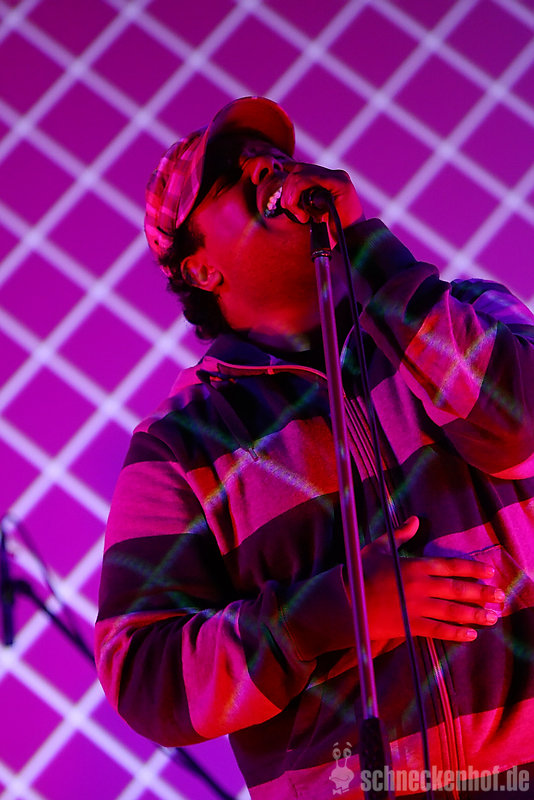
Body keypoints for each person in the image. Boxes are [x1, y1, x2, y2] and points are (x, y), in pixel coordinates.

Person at [95, 96, 534, 799]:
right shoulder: (181, 444)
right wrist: (329, 613)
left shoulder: (467, 312)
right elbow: (143, 673)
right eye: (230, 172)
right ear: (201, 269)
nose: (264, 167)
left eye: (271, 156)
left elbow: (520, 426)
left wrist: (369, 253)